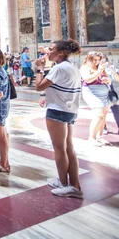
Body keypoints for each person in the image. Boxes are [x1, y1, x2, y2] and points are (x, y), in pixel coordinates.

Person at [34, 39, 83, 198]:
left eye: (51, 49)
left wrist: (39, 69)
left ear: (60, 53)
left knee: (59, 149)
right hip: (70, 110)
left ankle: (63, 183)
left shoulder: (59, 68)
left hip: (57, 111)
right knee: (69, 148)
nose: (48, 52)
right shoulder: (72, 67)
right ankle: (74, 185)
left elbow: (39, 86)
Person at [79, 51, 112, 146]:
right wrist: (98, 72)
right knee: (99, 114)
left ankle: (99, 136)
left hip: (104, 93)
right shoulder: (85, 68)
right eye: (94, 60)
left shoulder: (99, 68)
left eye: (98, 60)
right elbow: (87, 79)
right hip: (92, 92)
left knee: (104, 116)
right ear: (89, 59)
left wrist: (107, 80)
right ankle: (91, 137)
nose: (97, 62)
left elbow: (108, 79)